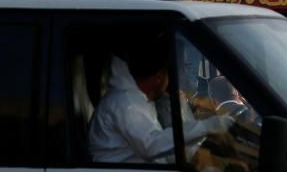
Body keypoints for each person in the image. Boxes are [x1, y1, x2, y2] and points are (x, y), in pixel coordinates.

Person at [88, 51, 233, 164]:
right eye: (168, 76)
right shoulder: (125, 103)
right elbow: (151, 145)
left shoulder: (139, 100)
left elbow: (162, 151)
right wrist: (207, 126)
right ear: (159, 77)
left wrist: (200, 140)